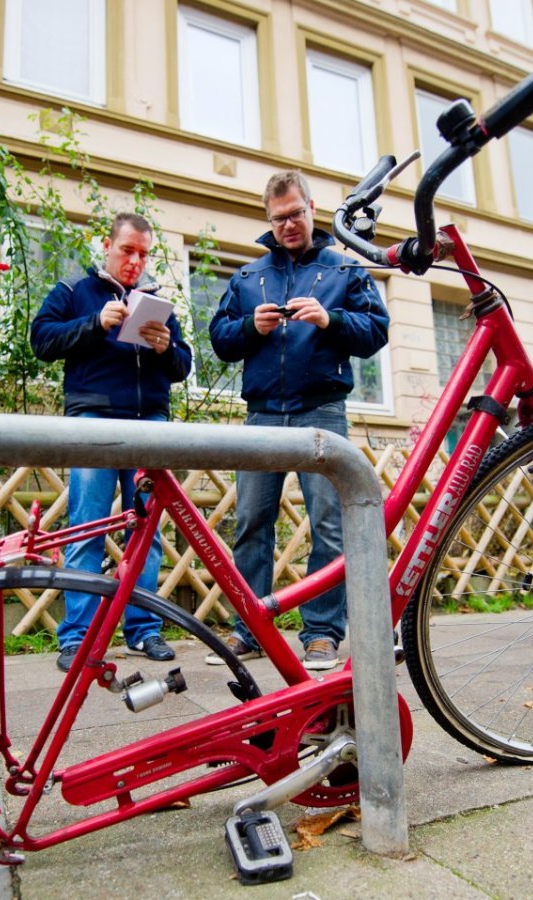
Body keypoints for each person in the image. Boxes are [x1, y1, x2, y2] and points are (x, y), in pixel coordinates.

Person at [207, 170, 389, 670]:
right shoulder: (247, 278)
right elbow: (220, 340)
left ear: (312, 208)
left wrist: (330, 320)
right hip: (262, 414)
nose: (288, 224)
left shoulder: (346, 272)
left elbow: (376, 333)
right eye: (278, 217)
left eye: (296, 214)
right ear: (268, 219)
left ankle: (323, 634)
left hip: (321, 411)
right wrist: (250, 326)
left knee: (329, 525)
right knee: (250, 523)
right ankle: (249, 628)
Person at [30, 212, 193, 672]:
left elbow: (183, 367)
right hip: (93, 422)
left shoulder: (157, 300)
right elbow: (40, 340)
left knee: (146, 534)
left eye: (143, 253)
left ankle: (143, 631)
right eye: (128, 250)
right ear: (107, 245)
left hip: (150, 425)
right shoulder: (73, 292)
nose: (135, 262)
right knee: (88, 528)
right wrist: (95, 322)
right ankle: (77, 639)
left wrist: (166, 348)